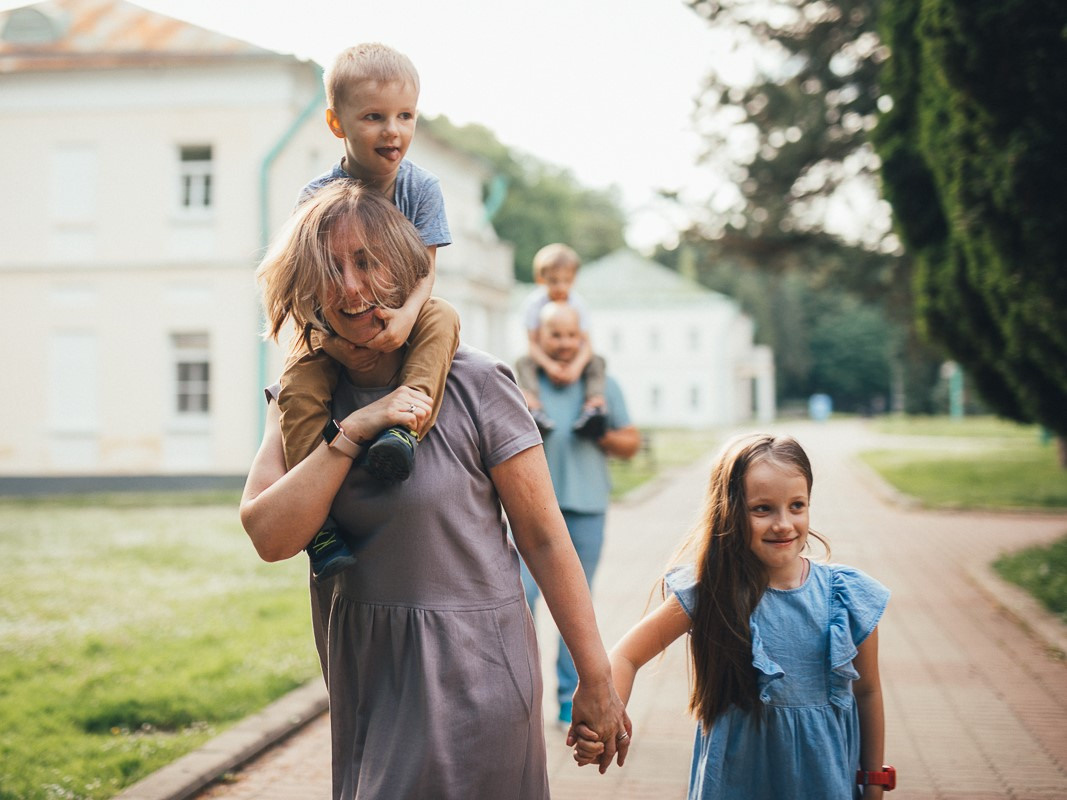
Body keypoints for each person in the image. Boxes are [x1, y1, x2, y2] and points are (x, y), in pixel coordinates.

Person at [241, 181, 631, 799]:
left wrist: (596, 678)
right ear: (303, 286)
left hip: (477, 671)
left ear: (402, 269)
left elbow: (545, 538)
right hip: (368, 676)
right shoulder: (302, 401)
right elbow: (270, 535)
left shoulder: (479, 383)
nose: (350, 287)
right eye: (330, 268)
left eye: (367, 261)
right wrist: (351, 436)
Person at [573, 433, 894, 799]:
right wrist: (605, 719)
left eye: (797, 506)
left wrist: (874, 783)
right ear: (729, 510)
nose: (783, 524)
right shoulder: (711, 593)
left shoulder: (847, 597)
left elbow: (867, 692)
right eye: (762, 509)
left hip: (824, 782)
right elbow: (626, 655)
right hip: (737, 784)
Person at [279, 42, 459, 580]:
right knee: (298, 385)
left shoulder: (420, 187)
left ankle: (405, 430)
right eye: (374, 117)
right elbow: (305, 277)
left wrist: (405, 316)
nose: (393, 131)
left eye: (405, 116)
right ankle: (321, 525)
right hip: (334, 327)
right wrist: (331, 341)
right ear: (337, 123)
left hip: (401, 318)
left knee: (443, 317)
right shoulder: (318, 195)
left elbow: (426, 270)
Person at [517, 301, 641, 726]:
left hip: (586, 509)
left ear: (582, 338)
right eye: (556, 334)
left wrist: (600, 432)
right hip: (528, 514)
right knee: (519, 599)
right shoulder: (522, 384)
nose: (564, 344)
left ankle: (572, 699)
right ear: (538, 337)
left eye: (572, 335)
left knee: (576, 607)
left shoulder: (601, 386)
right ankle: (521, 694)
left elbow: (630, 443)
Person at [516, 243, 608, 438]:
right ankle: (534, 407)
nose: (560, 287)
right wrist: (549, 366)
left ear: (574, 279)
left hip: (573, 356)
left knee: (597, 362)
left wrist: (575, 367)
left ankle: (593, 406)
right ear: (541, 279)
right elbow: (532, 343)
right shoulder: (534, 304)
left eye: (566, 281)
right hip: (544, 357)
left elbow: (587, 344)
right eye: (553, 281)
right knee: (523, 362)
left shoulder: (578, 304)